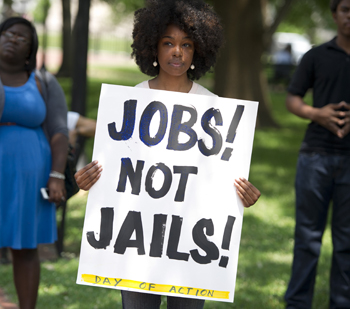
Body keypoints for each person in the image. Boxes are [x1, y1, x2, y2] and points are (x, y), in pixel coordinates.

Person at [75, 0, 261, 308]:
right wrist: (88, 180)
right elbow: (112, 175)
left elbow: (218, 179)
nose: (177, 52)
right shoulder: (127, 103)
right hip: (136, 247)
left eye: (186, 44)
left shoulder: (214, 110)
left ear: (198, 50)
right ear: (152, 48)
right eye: (168, 43)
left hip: (189, 249)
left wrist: (242, 195)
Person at [284, 1, 350, 308]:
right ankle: (298, 303)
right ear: (334, 13)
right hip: (315, 157)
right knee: (307, 239)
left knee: (347, 243)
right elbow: (292, 99)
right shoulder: (316, 55)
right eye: (347, 8)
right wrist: (317, 113)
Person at [0, 17, 68, 309]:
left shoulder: (43, 81)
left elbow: (60, 131)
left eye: (21, 38)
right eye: (7, 34)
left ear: (31, 50)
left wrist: (57, 174)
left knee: (26, 247)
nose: (12, 40)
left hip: (30, 177)